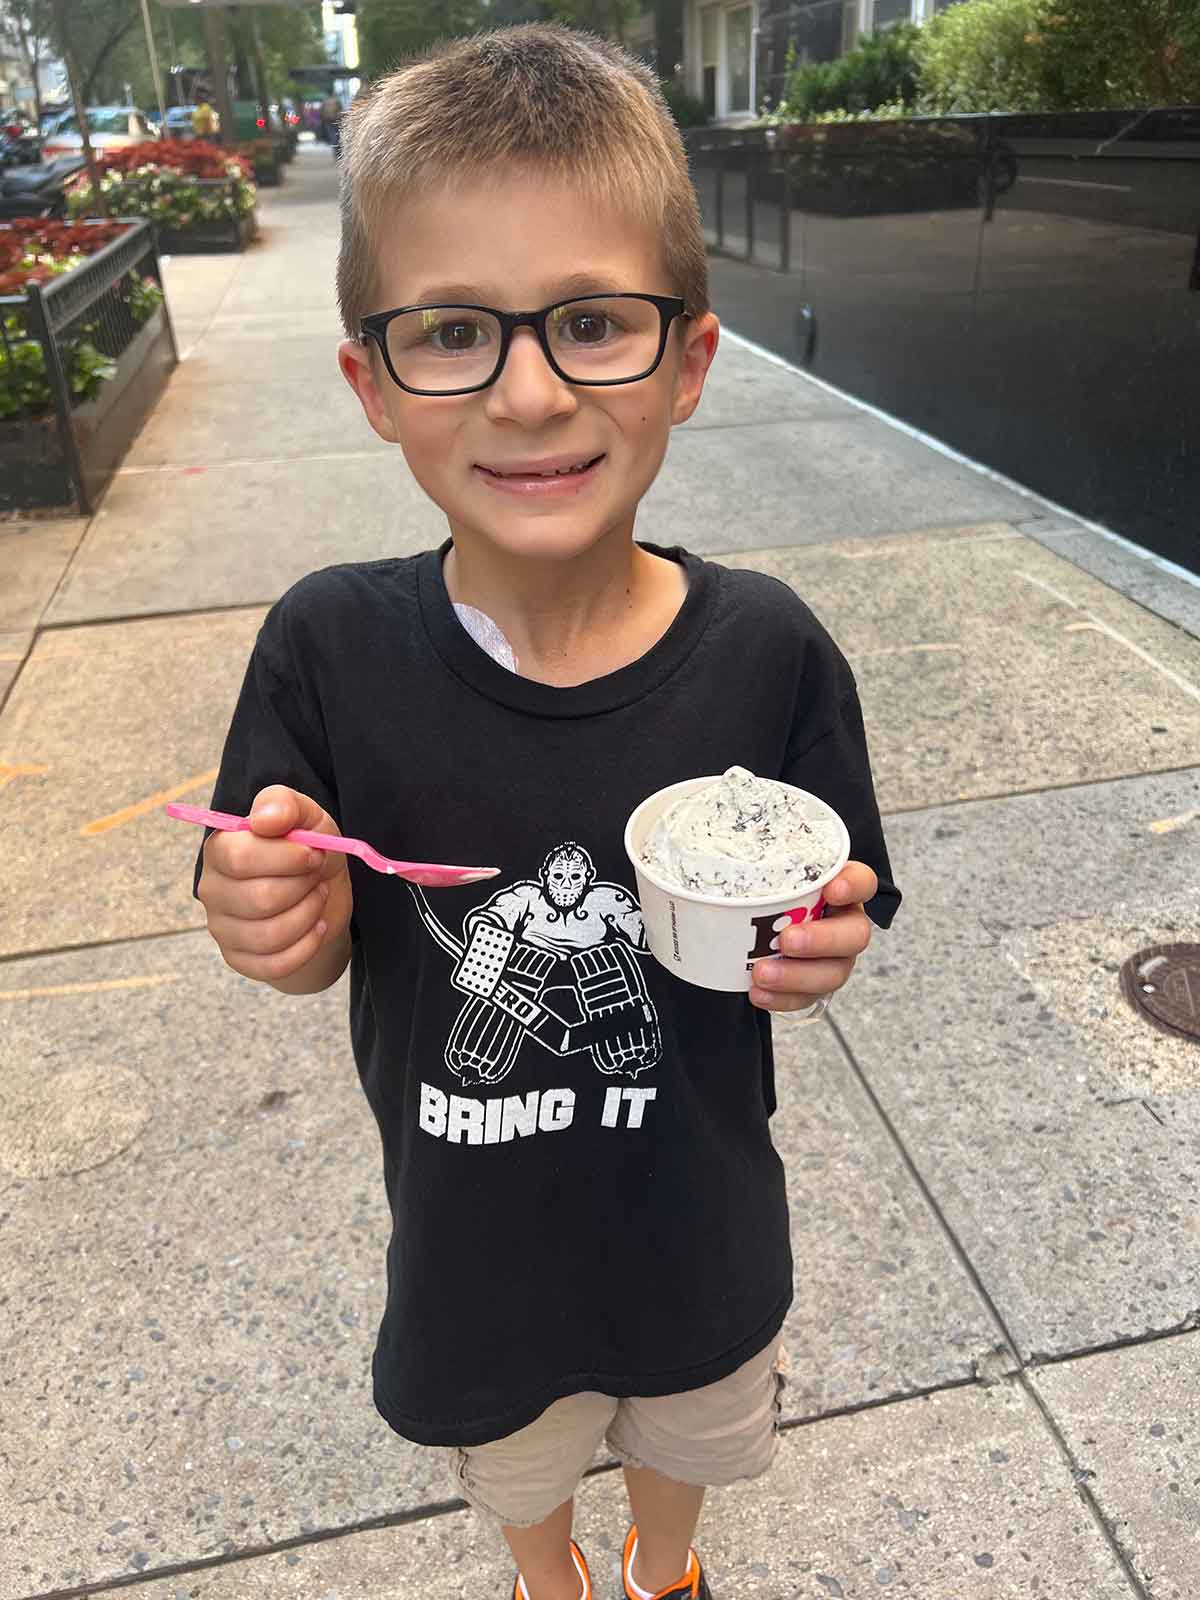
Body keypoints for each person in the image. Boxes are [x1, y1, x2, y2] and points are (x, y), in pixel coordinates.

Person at [193, 23, 901, 1600]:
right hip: (472, 1250)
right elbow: (288, 913)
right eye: (452, 330)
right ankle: (548, 1576)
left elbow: (841, 887)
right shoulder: (326, 644)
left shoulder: (769, 648)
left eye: (592, 321)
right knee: (513, 1459)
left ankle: (660, 1571)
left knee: (692, 1438)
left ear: (692, 363)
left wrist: (823, 940)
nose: (526, 392)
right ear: (373, 383)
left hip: (700, 1221)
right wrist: (264, 915)